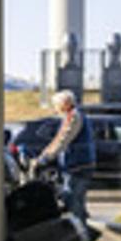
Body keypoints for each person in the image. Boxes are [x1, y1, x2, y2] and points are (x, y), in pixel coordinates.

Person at [34, 89, 96, 225]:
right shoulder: (71, 116)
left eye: (57, 105)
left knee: (72, 199)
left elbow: (64, 139)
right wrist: (45, 153)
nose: (56, 109)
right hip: (77, 164)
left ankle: (81, 232)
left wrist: (46, 157)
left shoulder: (74, 116)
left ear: (65, 104)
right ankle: (83, 229)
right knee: (77, 199)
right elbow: (58, 138)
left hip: (78, 164)